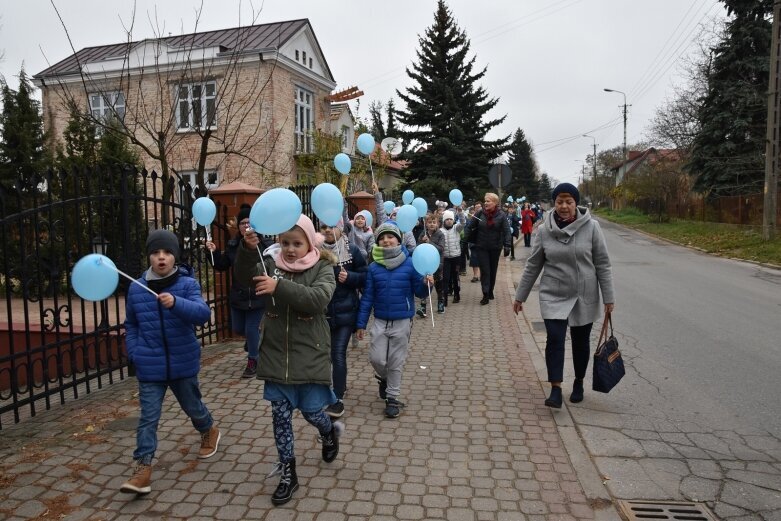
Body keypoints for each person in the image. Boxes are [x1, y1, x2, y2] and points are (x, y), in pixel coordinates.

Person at [234, 214, 344, 506]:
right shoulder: (270, 265)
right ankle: (288, 473)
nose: (291, 249)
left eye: (297, 243)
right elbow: (245, 276)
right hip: (275, 356)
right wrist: (247, 249)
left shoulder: (323, 267)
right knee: (280, 418)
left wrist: (278, 287)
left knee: (312, 413)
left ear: (309, 243)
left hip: (309, 353)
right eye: (285, 243)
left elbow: (318, 299)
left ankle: (328, 432)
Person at [120, 229, 218, 495]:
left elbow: (202, 315)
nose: (161, 258)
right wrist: (135, 353)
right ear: (149, 257)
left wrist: (176, 303)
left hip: (182, 361)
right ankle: (143, 468)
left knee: (193, 407)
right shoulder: (137, 289)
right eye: (155, 253)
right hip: (149, 364)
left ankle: (208, 429)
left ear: (175, 256)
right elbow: (132, 324)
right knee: (148, 418)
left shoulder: (187, 284)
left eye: (166, 253)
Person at [513, 183, 615, 408]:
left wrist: (609, 298)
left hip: (583, 293)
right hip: (554, 293)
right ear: (554, 203)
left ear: (576, 203)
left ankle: (578, 381)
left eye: (569, 201)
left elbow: (603, 265)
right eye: (560, 201)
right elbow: (533, 265)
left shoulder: (592, 227)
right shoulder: (543, 230)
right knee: (555, 339)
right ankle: (556, 388)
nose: (564, 206)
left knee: (580, 342)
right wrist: (520, 296)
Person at [355, 221, 433, 419]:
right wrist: (361, 323)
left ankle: (392, 399)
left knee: (396, 362)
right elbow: (368, 297)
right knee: (377, 359)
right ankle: (383, 378)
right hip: (380, 320)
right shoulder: (373, 267)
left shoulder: (410, 263)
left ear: (398, 240)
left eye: (390, 237)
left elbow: (420, 291)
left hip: (402, 321)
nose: (386, 240)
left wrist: (427, 284)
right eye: (382, 237)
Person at [205, 204, 273, 378]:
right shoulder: (233, 245)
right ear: (239, 226)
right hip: (239, 296)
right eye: (243, 223)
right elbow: (221, 265)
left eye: (249, 222)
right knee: (238, 329)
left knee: (251, 329)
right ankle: (253, 343)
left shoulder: (265, 245)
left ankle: (253, 361)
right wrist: (211, 253)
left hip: (258, 296)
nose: (246, 226)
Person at [319, 220, 367, 418]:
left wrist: (351, 278)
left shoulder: (352, 250)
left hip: (346, 312)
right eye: (323, 227)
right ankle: (324, 389)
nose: (328, 230)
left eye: (332, 226)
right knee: (325, 355)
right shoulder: (315, 251)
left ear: (341, 228)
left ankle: (337, 397)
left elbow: (365, 276)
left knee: (338, 353)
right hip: (322, 313)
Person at [464, 193, 512, 305]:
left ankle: (490, 290)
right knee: (485, 270)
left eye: (488, 201)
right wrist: (464, 241)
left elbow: (506, 231)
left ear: (495, 203)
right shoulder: (480, 213)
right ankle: (485, 293)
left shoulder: (501, 215)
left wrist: (507, 245)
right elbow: (470, 226)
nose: (485, 203)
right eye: (485, 201)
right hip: (481, 246)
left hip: (495, 247)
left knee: (492, 270)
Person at [417, 213, 445, 314]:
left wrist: (430, 242)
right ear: (426, 224)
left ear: (437, 224)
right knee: (425, 283)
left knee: (439, 284)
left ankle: (441, 303)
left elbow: (441, 249)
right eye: (429, 222)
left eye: (434, 222)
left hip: (437, 264)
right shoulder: (423, 233)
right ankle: (423, 306)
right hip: (425, 264)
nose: (432, 224)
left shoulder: (440, 234)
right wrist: (421, 241)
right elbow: (418, 247)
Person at [440, 210, 464, 305]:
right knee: (445, 278)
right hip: (445, 258)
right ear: (444, 221)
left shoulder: (456, 228)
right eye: (447, 219)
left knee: (455, 276)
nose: (449, 221)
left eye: (451, 219)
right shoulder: (441, 231)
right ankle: (444, 298)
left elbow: (463, 222)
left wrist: (460, 213)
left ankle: (457, 294)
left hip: (456, 256)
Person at [467, 202, 482, 283]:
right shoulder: (472, 217)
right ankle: (475, 275)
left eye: (479, 207)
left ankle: (481, 275)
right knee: (474, 259)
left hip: (483, 242)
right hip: (474, 242)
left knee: (483, 259)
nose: (478, 208)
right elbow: (469, 228)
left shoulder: (484, 217)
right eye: (476, 207)